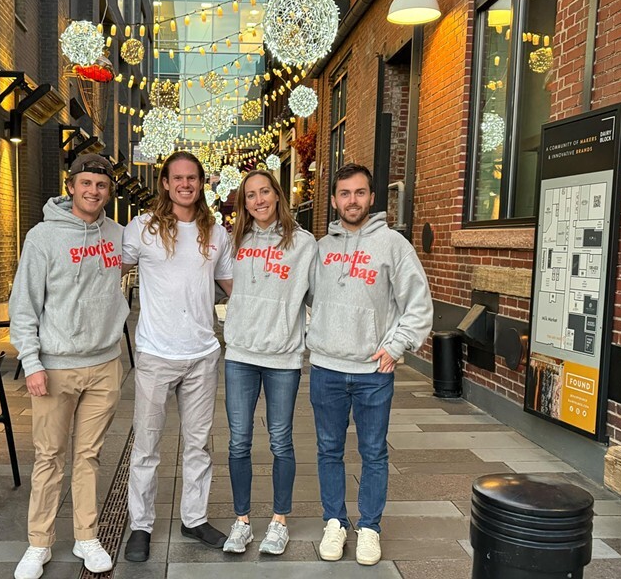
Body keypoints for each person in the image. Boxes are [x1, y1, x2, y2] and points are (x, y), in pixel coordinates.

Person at [9, 154, 129, 579]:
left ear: (108, 191)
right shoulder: (42, 237)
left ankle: (86, 535)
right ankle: (38, 543)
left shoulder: (118, 235)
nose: (93, 191)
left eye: (101, 184)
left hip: (104, 364)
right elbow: (23, 306)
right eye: (86, 183)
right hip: (55, 366)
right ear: (71, 185)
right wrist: (31, 363)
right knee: (49, 457)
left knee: (89, 456)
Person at [307, 163, 432, 566]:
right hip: (326, 367)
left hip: (373, 372)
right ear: (333, 199)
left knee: (373, 452)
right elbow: (303, 296)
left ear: (372, 197)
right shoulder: (321, 247)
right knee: (329, 450)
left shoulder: (394, 245)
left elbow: (418, 304)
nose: (352, 200)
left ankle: (370, 528)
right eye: (344, 193)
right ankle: (334, 522)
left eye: (360, 192)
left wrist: (396, 346)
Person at [122, 151, 234, 562]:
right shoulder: (142, 229)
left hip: (202, 354)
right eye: (177, 178)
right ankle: (140, 525)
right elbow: (105, 268)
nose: (185, 184)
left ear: (201, 183)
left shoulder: (216, 232)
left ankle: (194, 517)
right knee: (146, 446)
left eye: (192, 178)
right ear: (165, 184)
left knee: (198, 444)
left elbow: (231, 285)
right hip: (154, 352)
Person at [220, 170, 317, 556]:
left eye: (264, 192)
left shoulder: (305, 244)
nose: (258, 200)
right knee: (238, 441)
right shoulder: (235, 242)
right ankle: (241, 521)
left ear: (278, 195)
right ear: (244, 203)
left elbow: (320, 298)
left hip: (283, 357)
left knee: (280, 440)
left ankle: (279, 522)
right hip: (240, 355)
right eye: (250, 196)